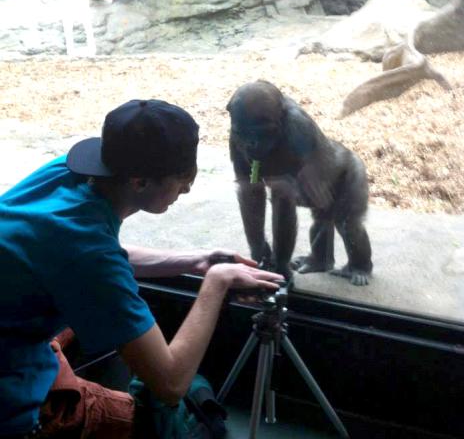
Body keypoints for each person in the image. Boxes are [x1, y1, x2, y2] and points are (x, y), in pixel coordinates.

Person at [0, 99, 283, 438]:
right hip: (9, 393)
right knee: (168, 422)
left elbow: (89, 257)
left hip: (14, 314)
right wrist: (216, 284)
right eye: (181, 177)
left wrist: (196, 261)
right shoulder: (86, 254)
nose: (188, 187)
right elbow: (170, 382)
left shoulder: (69, 173)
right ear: (138, 182)